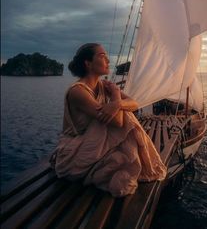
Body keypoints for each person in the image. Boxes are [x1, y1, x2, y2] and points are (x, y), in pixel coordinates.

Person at [51, 43, 167, 197]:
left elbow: (135, 103)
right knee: (126, 117)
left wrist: (117, 102)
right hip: (74, 153)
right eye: (102, 56)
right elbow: (118, 122)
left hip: (92, 145)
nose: (108, 60)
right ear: (88, 63)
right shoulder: (78, 92)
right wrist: (116, 96)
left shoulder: (103, 86)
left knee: (126, 113)